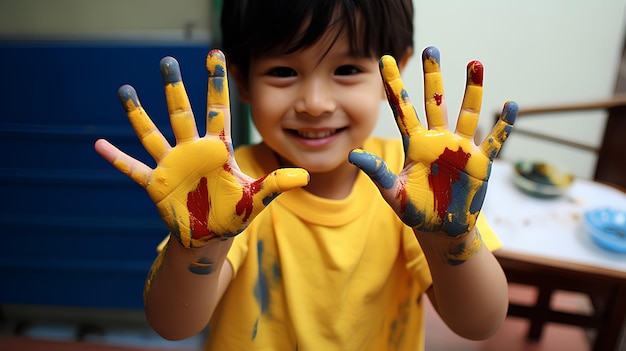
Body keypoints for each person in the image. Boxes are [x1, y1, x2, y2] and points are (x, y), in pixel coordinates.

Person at [94, 0, 518, 349]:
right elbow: (173, 325)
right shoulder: (228, 189)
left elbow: (479, 323)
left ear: (393, 73)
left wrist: (453, 242)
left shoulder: (413, 187)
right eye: (283, 71)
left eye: (347, 69)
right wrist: (200, 248)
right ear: (242, 81)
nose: (315, 103)